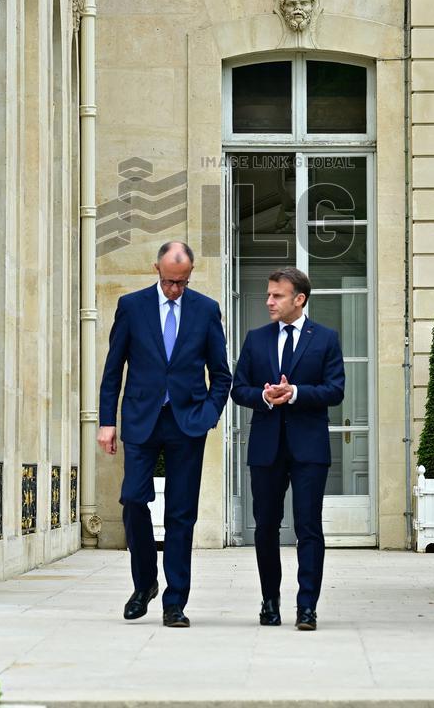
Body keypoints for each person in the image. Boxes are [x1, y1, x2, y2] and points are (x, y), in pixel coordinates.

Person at [97, 240, 231, 628]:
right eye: (171, 281)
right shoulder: (132, 307)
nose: (176, 289)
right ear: (157, 269)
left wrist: (208, 414)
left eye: (183, 283)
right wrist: (108, 422)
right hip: (141, 419)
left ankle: (175, 602)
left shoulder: (206, 310)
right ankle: (145, 584)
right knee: (133, 500)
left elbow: (221, 374)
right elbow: (112, 370)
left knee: (181, 514)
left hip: (187, 423)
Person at [232, 267, 344, 631]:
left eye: (277, 295)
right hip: (266, 448)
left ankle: (307, 606)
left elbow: (335, 390)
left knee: (308, 527)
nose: (268, 301)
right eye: (268, 294)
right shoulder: (256, 338)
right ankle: (270, 602)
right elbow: (238, 389)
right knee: (266, 526)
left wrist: (294, 393)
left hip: (309, 448)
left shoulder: (325, 338)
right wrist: (264, 395)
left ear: (300, 299)